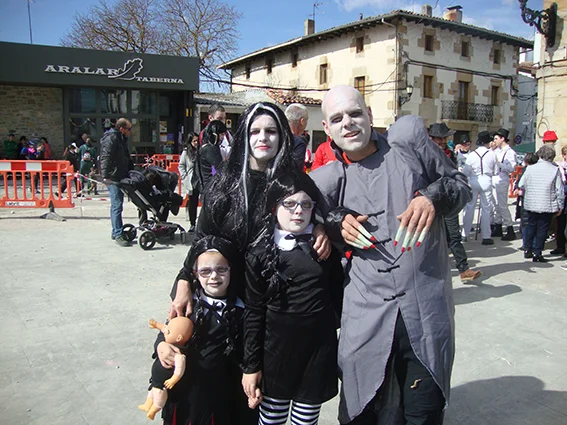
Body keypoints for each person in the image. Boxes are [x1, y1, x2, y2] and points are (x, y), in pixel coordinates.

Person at [310, 85, 472, 424]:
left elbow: (460, 186)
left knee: (423, 411)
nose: (348, 123)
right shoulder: (324, 181)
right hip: (365, 319)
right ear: (326, 129)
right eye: (337, 119)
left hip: (425, 312)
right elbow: (291, 224)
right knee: (364, 411)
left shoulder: (408, 145)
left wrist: (432, 197)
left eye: (355, 113)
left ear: (370, 115)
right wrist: (334, 224)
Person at [168, 101, 330, 322]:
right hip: (232, 300)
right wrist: (184, 279)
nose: (263, 138)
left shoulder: (295, 183)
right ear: (244, 135)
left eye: (271, 131)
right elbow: (202, 240)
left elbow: (320, 209)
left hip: (279, 306)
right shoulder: (223, 184)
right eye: (255, 131)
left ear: (282, 136)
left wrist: (320, 225)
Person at [242, 172, 343, 425]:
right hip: (274, 355)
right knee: (271, 419)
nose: (298, 211)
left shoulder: (324, 249)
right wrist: (251, 366)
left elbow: (338, 297)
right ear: (273, 206)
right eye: (289, 204)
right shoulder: (259, 254)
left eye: (306, 204)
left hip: (316, 354)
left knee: (306, 421)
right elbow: (253, 313)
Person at [154, 236, 249, 425]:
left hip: (221, 393)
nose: (214, 276)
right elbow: (167, 331)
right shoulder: (188, 306)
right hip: (186, 393)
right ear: (195, 274)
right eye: (206, 271)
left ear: (231, 270)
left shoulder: (241, 309)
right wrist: (160, 346)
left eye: (221, 269)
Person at [429, 123, 481, 283]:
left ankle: (464, 269)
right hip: (431, 200)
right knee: (432, 238)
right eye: (440, 138)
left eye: (445, 138)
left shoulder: (450, 154)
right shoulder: (425, 153)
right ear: (432, 138)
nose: (443, 141)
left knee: (454, 235)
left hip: (448, 199)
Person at [518, 145, 564, 262]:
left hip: (531, 202)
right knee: (542, 228)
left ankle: (528, 249)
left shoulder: (530, 168)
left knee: (531, 225)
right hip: (547, 202)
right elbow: (559, 190)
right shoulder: (554, 170)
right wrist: (560, 205)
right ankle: (537, 252)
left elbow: (521, 184)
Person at [100, 118, 134, 246]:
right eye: (129, 129)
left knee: (117, 205)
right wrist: (105, 176)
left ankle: (115, 231)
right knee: (117, 205)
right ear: (122, 129)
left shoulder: (120, 138)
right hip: (113, 177)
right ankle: (118, 234)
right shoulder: (112, 138)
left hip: (120, 175)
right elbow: (105, 156)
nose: (130, 132)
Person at [461, 131, 498, 245]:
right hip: (486, 180)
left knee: (470, 207)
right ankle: (486, 236)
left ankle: (464, 234)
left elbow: (466, 172)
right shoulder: (492, 154)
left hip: (474, 180)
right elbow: (496, 171)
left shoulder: (472, 155)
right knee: (486, 209)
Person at [491, 128, 518, 240]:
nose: (494, 141)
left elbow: (511, 168)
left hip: (502, 178)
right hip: (494, 178)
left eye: (496, 138)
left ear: (502, 139)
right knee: (495, 204)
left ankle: (509, 227)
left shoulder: (510, 152)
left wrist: (499, 164)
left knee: (502, 205)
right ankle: (498, 226)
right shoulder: (496, 151)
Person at [514, 152, 539, 251]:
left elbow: (521, 183)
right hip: (527, 198)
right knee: (527, 221)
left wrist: (520, 190)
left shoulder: (529, 170)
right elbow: (518, 182)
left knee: (527, 222)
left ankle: (529, 244)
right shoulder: (525, 169)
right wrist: (516, 188)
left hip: (528, 198)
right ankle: (528, 243)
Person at [195, 120, 225, 193]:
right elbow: (221, 168)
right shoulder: (210, 149)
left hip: (207, 188)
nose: (223, 137)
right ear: (215, 134)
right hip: (212, 189)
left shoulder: (204, 147)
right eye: (222, 134)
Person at [179, 132, 199, 232]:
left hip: (202, 180)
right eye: (194, 141)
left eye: (197, 140)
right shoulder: (186, 152)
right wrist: (184, 177)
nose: (196, 143)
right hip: (192, 180)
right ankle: (192, 224)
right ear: (190, 142)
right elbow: (181, 166)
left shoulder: (202, 150)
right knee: (193, 203)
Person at [550, 145, 567, 256]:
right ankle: (560, 247)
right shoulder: (559, 167)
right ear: (564, 155)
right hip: (562, 198)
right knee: (560, 224)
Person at [284, 103, 309, 172]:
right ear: (302, 121)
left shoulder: (276, 137)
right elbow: (296, 172)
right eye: (306, 120)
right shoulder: (298, 143)